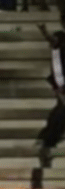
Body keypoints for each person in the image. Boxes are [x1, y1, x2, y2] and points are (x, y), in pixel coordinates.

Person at [34, 22, 65, 160]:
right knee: (58, 113)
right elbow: (50, 39)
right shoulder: (54, 51)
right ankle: (45, 140)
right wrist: (43, 31)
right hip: (60, 88)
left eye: (55, 41)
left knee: (59, 114)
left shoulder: (62, 51)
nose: (51, 43)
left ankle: (47, 141)